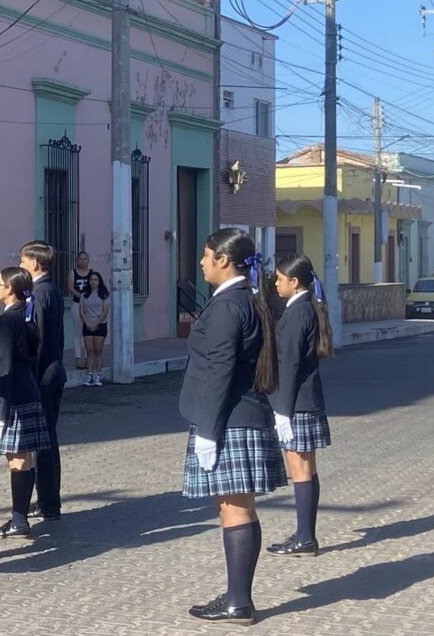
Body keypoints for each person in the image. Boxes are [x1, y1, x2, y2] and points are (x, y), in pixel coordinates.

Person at [180, 228, 286, 625]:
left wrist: (207, 429)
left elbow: (219, 370)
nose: (203, 262)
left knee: (235, 509)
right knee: (238, 508)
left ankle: (239, 601)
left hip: (229, 420)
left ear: (224, 260)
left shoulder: (229, 306)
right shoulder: (243, 299)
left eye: (208, 256)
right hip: (239, 416)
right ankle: (237, 594)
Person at [267, 254, 334, 558]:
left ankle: (305, 537)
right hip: (305, 399)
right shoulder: (307, 307)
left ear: (294, 283)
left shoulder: (297, 313)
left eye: (279, 278)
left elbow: (289, 363)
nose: (276, 283)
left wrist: (282, 409)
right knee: (307, 468)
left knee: (300, 469)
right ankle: (306, 533)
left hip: (297, 402)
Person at [0, 266, 51, 539]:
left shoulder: (5, 323)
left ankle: (19, 519)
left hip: (13, 399)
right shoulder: (24, 318)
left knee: (18, 461)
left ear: (10, 289)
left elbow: (4, 365)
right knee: (26, 459)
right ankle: (20, 516)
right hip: (28, 393)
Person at [18, 240, 65, 521]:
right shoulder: (51, 290)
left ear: (35, 263)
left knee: (44, 442)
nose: (21, 265)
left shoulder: (38, 293)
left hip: (43, 375)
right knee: (47, 440)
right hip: (53, 371)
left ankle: (48, 501)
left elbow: (37, 339)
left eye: (23, 261)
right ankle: (48, 499)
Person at [79, 269, 111, 386]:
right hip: (87, 325)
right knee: (89, 351)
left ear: (99, 281)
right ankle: (90, 374)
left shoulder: (104, 295)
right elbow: (81, 311)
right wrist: (87, 323)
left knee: (98, 350)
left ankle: (98, 375)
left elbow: (105, 311)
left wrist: (96, 323)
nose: (93, 282)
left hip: (100, 325)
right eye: (91, 280)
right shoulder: (84, 295)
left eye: (95, 280)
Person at [66, 251, 91, 369]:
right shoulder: (73, 273)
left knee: (88, 332)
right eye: (80, 259)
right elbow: (70, 288)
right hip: (77, 304)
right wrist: (81, 297)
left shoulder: (91, 273)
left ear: (88, 261)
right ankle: (78, 358)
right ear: (77, 261)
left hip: (89, 307)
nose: (83, 261)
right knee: (78, 332)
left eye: (85, 259)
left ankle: (88, 358)